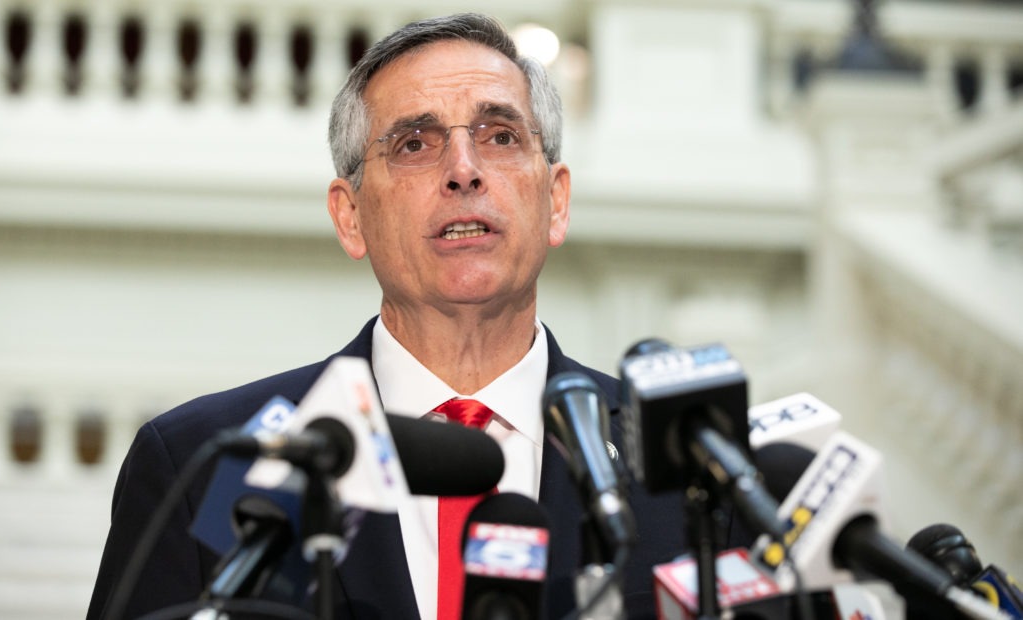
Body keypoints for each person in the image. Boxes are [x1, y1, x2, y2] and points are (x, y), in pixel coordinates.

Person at [87, 13, 745, 620]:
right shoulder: (205, 470)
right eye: (414, 144)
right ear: (351, 217)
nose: (464, 171)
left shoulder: (693, 470)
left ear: (557, 201)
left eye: (501, 135)